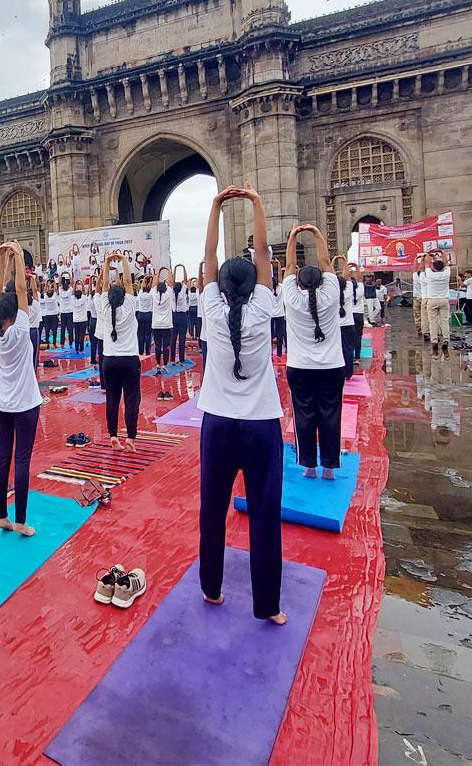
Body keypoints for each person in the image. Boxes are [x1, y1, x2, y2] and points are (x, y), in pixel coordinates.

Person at [198, 184, 286, 624]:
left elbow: (209, 259)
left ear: (218, 286)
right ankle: (268, 605)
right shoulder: (264, 308)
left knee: (211, 510)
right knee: (265, 516)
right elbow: (265, 254)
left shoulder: (212, 309)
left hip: (217, 424)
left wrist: (216, 206)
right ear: (256, 286)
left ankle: (212, 589)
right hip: (260, 426)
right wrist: (256, 201)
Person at [0, 240, 43, 537]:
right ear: (15, 314)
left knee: (3, 458)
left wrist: (2, 262)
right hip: (24, 405)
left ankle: (1, 516)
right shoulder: (21, 330)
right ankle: (20, 519)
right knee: (21, 460)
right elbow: (20, 291)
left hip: (0, 405)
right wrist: (19, 256)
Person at [282, 224, 345, 479]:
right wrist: (317, 234)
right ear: (321, 281)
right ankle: (329, 467)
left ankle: (308, 465)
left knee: (304, 414)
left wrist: (293, 236)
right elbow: (326, 261)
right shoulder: (331, 294)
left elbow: (287, 268)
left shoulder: (292, 299)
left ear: (297, 282)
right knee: (331, 415)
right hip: (331, 366)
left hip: (300, 367)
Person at [95, 251, 140, 452]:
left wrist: (106, 263)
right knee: (131, 399)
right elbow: (129, 281)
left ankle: (113, 434)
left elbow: (104, 285)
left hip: (110, 361)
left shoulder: (105, 308)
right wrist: (123, 261)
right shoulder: (130, 305)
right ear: (123, 297)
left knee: (112, 399)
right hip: (129, 360)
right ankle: (130, 437)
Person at [422, 252, 455, 354]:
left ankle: (434, 340)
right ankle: (446, 339)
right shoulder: (446, 273)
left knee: (433, 321)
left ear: (434, 267)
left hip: (432, 299)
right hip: (444, 299)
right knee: (444, 320)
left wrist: (428, 254)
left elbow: (427, 263)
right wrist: (442, 252)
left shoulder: (430, 274)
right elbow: (446, 263)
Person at [333, 258, 358, 380]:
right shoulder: (349, 290)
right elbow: (347, 277)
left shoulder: (332, 293)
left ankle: (339, 371)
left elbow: (329, 277)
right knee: (348, 350)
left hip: (336, 326)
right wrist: (344, 262)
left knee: (337, 350)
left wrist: (332, 262)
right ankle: (348, 372)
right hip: (348, 324)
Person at [151, 269, 175, 373]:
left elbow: (153, 283)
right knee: (166, 346)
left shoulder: (154, 294)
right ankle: (164, 364)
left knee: (157, 345)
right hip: (166, 325)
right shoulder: (168, 292)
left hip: (156, 325)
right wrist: (168, 271)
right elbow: (170, 282)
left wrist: (158, 272)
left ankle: (157, 364)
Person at [173, 268, 190, 364]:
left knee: (173, 339)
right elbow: (186, 280)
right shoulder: (183, 292)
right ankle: (181, 359)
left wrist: (174, 269)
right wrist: (183, 268)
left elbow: (172, 281)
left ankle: (172, 358)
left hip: (174, 316)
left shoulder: (172, 292)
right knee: (182, 339)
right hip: (183, 317)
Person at [270, 262, 287, 358]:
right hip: (280, 314)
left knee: (270, 334)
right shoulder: (281, 288)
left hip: (271, 314)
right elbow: (280, 276)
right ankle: (279, 353)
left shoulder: (269, 290)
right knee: (280, 335)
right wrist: (278, 264)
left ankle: (270, 353)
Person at [135, 275, 154, 355]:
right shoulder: (151, 295)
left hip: (140, 315)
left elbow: (142, 287)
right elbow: (152, 287)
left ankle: (140, 350)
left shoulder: (140, 294)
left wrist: (145, 279)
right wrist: (151, 279)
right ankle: (147, 351)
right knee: (148, 334)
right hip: (148, 315)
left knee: (140, 334)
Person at [72, 279, 90, 356]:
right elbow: (84, 291)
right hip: (83, 320)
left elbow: (73, 292)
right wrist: (82, 283)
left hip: (76, 320)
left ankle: (76, 349)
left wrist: (75, 284)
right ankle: (81, 349)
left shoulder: (73, 300)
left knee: (76, 335)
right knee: (81, 336)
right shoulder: (83, 299)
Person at [39, 281, 59, 348]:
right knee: (54, 330)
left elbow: (45, 291)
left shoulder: (46, 298)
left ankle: (47, 342)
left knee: (47, 330)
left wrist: (46, 284)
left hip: (47, 316)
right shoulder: (54, 298)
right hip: (54, 315)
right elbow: (55, 290)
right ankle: (54, 342)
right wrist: (54, 283)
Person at [57, 276, 75, 348]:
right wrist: (70, 276)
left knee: (63, 329)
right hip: (69, 312)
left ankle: (62, 344)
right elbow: (72, 284)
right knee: (70, 329)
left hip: (63, 313)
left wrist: (61, 275)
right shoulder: (70, 290)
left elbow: (59, 284)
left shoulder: (60, 291)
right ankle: (70, 343)